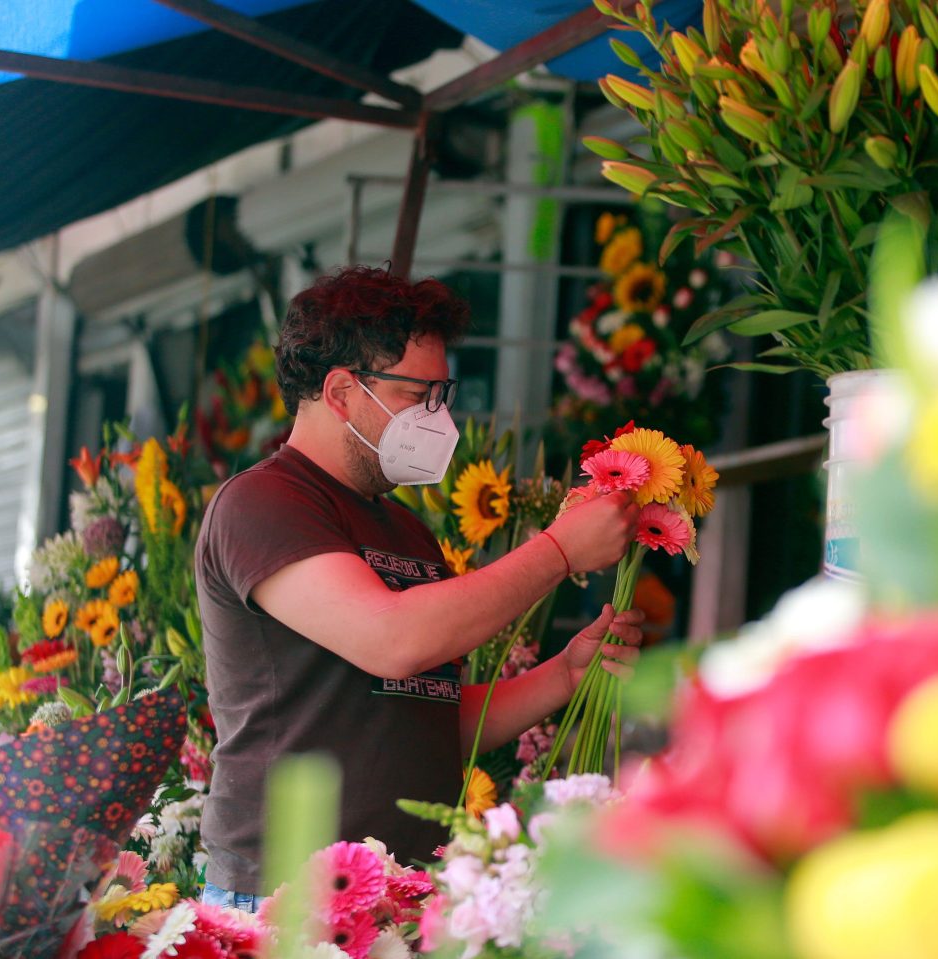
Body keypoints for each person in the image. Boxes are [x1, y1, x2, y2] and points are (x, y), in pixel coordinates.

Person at [194, 266, 642, 910]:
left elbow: (430, 718)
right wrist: (560, 550)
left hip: (407, 890)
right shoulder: (263, 502)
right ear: (341, 391)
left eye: (443, 393)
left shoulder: (407, 530)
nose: (438, 417)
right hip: (288, 899)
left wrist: (564, 675)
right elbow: (392, 640)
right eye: (418, 394)